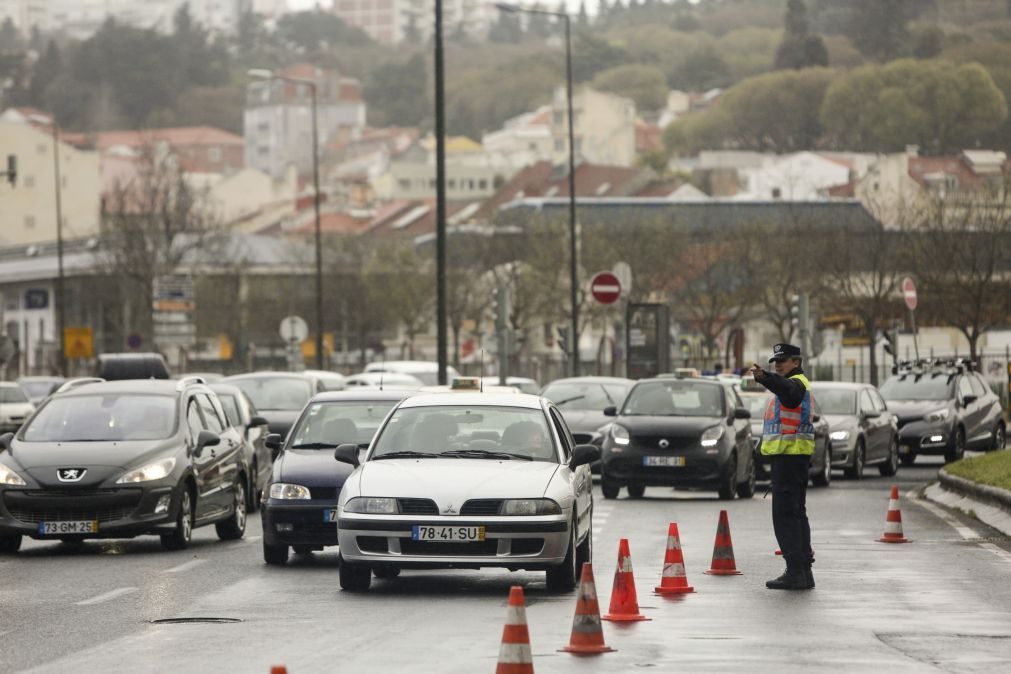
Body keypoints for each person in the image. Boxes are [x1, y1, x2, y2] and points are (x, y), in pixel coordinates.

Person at [749, 343, 815, 590]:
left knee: (785, 516)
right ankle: (804, 571)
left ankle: (796, 571)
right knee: (797, 515)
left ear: (796, 362)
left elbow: (788, 391)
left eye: (783, 360)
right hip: (791, 459)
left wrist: (766, 378)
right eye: (775, 361)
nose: (778, 364)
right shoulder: (796, 384)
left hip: (790, 458)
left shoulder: (796, 384)